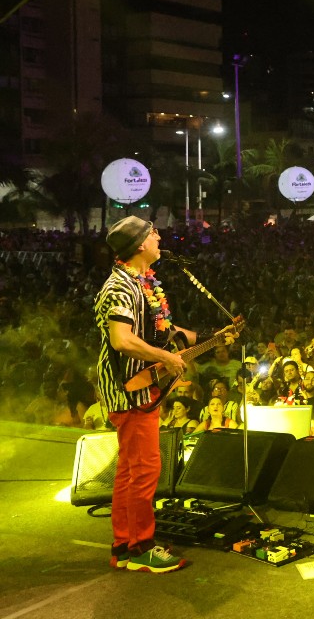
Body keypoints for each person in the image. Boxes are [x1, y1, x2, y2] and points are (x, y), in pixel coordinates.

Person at [95, 216, 203, 573]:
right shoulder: (120, 287)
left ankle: (124, 545)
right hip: (130, 390)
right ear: (140, 244)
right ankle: (142, 548)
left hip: (138, 386)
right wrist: (166, 358)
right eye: (153, 232)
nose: (159, 237)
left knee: (129, 470)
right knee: (144, 470)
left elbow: (162, 329)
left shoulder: (143, 283)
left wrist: (208, 338)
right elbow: (122, 340)